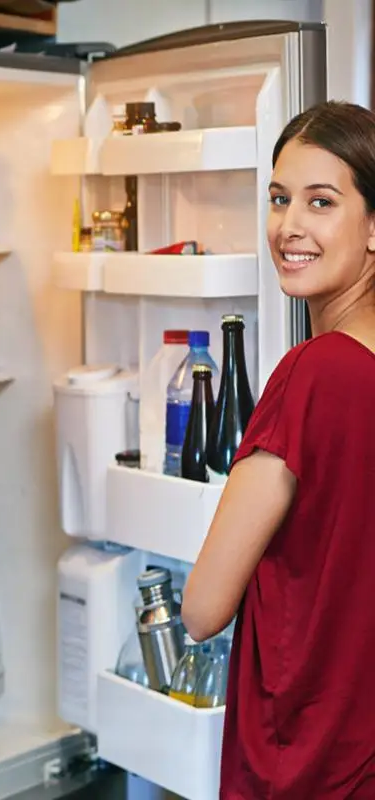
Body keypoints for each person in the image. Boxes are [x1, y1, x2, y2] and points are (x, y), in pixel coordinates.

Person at [183, 100, 375, 798]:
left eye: (321, 201)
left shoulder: (313, 373)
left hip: (310, 762)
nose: (289, 226)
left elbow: (203, 609)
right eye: (278, 198)